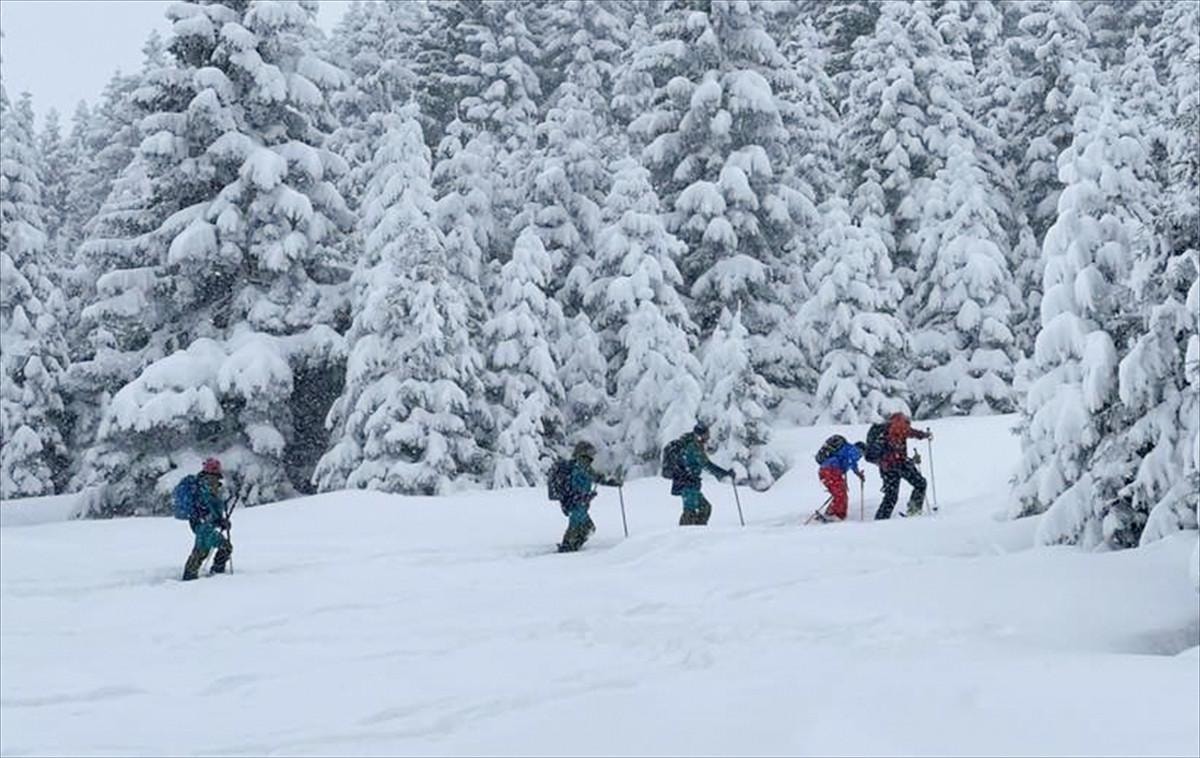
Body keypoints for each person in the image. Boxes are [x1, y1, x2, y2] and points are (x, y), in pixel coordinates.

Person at [556, 441, 621, 553]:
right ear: (583, 453)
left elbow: (588, 479)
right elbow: (593, 477)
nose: (592, 456)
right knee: (582, 526)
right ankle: (568, 548)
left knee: (585, 527)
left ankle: (571, 546)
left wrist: (588, 495)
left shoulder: (578, 464)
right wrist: (609, 482)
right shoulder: (581, 464)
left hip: (577, 502)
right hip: (577, 503)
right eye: (590, 452)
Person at [669, 422, 733, 526]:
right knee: (690, 513)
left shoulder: (696, 445)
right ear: (700, 435)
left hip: (691, 483)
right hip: (687, 484)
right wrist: (724, 473)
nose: (708, 437)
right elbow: (707, 465)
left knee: (705, 508)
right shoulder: (693, 447)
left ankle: (699, 531)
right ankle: (686, 533)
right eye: (706, 434)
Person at [872, 413, 932, 520]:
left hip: (888, 467)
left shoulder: (888, 428)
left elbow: (909, 432)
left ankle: (881, 519)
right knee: (920, 483)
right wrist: (924, 435)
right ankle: (913, 510)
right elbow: (911, 432)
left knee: (891, 496)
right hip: (899, 464)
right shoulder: (901, 425)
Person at [182, 458, 233, 580]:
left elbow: (212, 507)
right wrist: (219, 520)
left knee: (216, 547)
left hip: (203, 524)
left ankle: (210, 574)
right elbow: (208, 507)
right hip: (203, 525)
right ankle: (193, 577)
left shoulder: (204, 484)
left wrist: (220, 521)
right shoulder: (204, 486)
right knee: (204, 550)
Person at [817, 440, 865, 522]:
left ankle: (834, 514)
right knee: (840, 494)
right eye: (862, 453)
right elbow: (851, 461)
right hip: (831, 471)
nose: (861, 456)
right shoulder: (854, 451)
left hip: (826, 471)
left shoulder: (848, 449)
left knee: (840, 493)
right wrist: (858, 474)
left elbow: (852, 463)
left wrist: (858, 473)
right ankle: (834, 515)